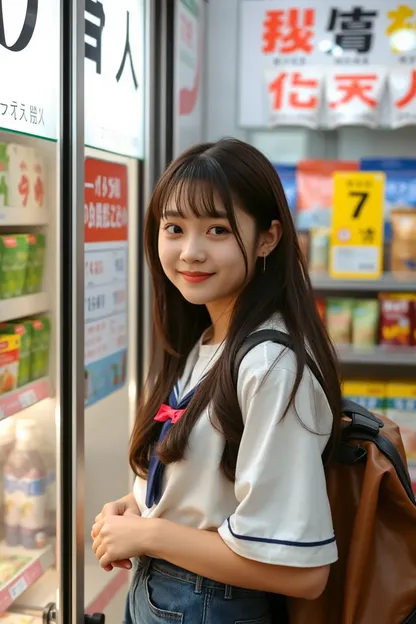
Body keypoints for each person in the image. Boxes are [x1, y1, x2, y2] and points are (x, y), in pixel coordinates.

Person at [91, 138, 342, 623]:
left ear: (268, 238)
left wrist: (150, 535)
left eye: (217, 230)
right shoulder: (206, 340)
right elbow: (212, 486)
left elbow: (303, 574)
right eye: (174, 228)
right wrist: (135, 507)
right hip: (166, 595)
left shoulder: (269, 364)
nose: (190, 251)